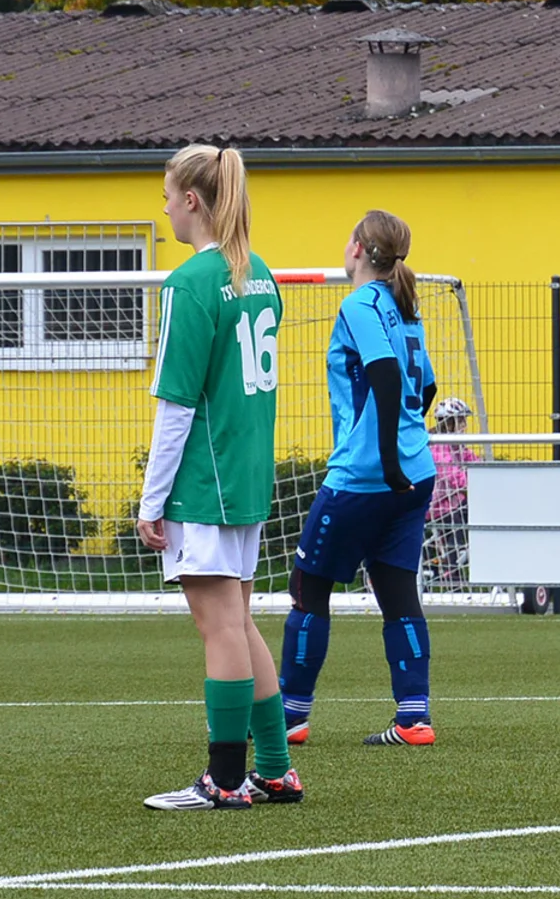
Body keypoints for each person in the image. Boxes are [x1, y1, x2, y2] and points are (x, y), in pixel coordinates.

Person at [139, 144, 298, 811]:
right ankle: (275, 767)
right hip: (247, 468)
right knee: (239, 620)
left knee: (220, 626)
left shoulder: (191, 281)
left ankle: (224, 778)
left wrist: (152, 499)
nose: (167, 207)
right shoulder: (257, 271)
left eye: (170, 196)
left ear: (194, 201)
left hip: (206, 477)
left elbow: (177, 404)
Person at [278, 210, 441, 747]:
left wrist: (386, 458)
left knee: (309, 589)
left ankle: (291, 716)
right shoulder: (405, 307)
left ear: (356, 249)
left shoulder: (360, 304)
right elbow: (428, 386)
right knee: (397, 592)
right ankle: (413, 718)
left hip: (369, 475)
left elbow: (387, 375)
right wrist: (404, 454)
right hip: (418, 475)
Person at [422, 397, 475, 587]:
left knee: (468, 515)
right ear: (449, 423)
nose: (464, 426)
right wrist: (472, 482)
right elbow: (454, 476)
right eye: (461, 421)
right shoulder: (437, 448)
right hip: (438, 506)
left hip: (451, 503)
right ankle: (450, 569)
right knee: (460, 524)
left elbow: (472, 459)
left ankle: (452, 562)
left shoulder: (456, 446)